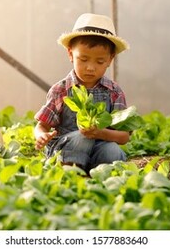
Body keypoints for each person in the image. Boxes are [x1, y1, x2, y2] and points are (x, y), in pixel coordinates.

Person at [34, 13, 130, 174]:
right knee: (82, 138)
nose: (90, 67)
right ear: (71, 54)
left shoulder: (114, 92)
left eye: (99, 61)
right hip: (66, 148)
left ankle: (99, 176)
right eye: (83, 59)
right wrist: (41, 136)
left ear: (110, 60)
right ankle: (73, 175)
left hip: (98, 146)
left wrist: (101, 133)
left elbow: (124, 136)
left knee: (112, 151)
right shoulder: (61, 90)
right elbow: (41, 126)